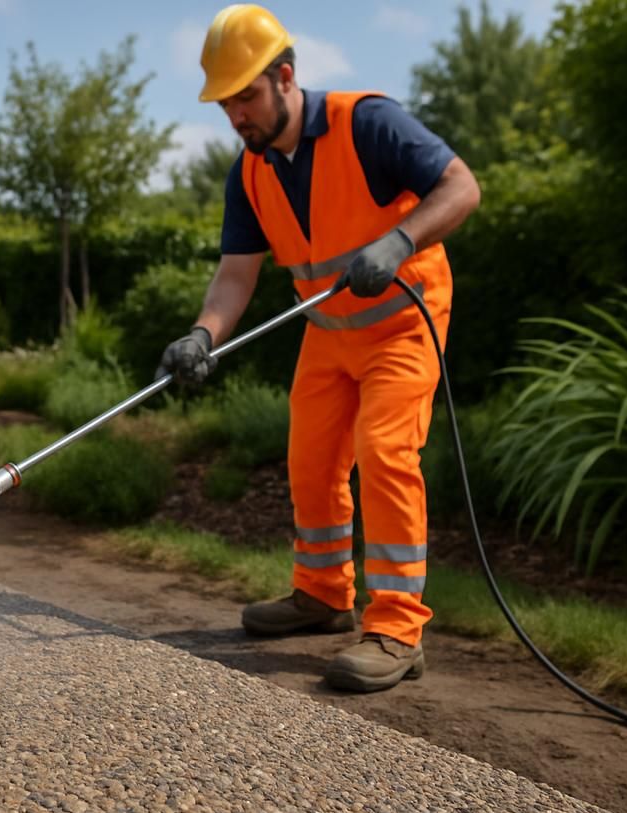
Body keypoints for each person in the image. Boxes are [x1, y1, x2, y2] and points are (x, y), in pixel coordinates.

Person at [159, 4, 481, 693]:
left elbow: (462, 187)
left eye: (245, 95)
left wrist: (400, 240)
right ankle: (323, 595)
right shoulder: (249, 173)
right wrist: (202, 335)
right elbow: (235, 274)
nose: (236, 115)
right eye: (225, 103)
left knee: (385, 451)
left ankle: (397, 629)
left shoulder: (369, 123)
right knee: (309, 458)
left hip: (403, 321)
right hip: (330, 332)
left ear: (285, 76)